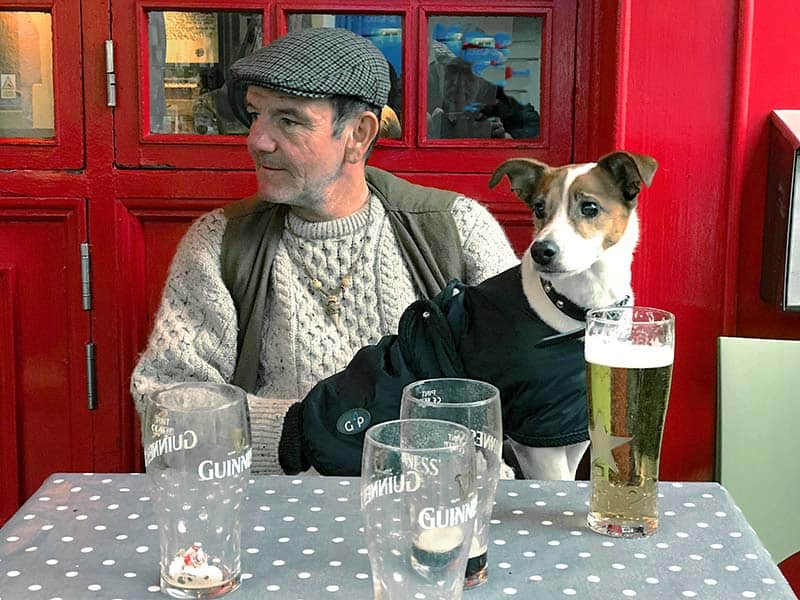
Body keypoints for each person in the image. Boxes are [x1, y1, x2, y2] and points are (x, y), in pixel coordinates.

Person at [130, 27, 518, 475]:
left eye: (288, 120)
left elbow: (525, 382)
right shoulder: (219, 243)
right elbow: (165, 402)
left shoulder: (456, 229)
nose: (257, 139)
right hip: (272, 512)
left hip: (433, 508)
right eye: (255, 114)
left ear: (358, 133)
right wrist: (300, 433)